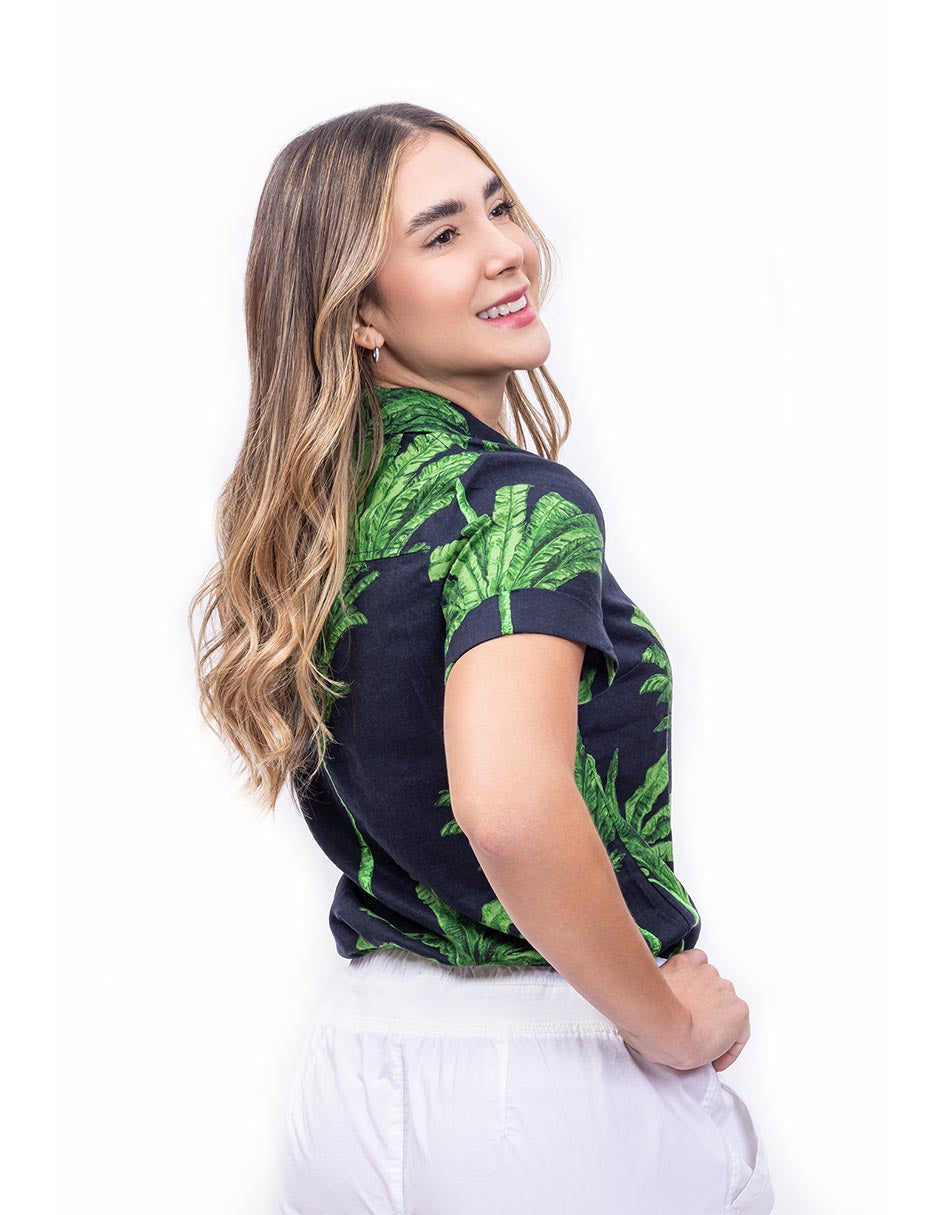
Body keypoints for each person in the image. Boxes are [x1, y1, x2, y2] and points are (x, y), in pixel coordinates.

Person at [190, 102, 775, 1214]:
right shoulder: (517, 507)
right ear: (361, 312)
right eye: (444, 233)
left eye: (499, 207)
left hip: (355, 1072)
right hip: (551, 1081)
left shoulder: (315, 523)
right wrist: (670, 1023)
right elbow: (506, 806)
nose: (506, 249)